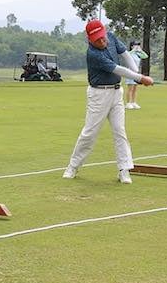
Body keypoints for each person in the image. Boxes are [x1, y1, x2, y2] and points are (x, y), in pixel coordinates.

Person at [62, 19, 153, 184]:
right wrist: (140, 78)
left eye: (103, 37)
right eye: (98, 40)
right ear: (90, 40)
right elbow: (117, 69)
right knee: (90, 133)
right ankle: (73, 166)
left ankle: (124, 170)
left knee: (120, 131)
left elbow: (125, 54)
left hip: (116, 92)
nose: (103, 41)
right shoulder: (93, 54)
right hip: (98, 95)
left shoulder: (111, 36)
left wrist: (137, 73)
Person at [124, 40, 147, 109]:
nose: (137, 46)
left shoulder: (137, 54)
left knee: (135, 88)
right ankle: (128, 103)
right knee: (130, 88)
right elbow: (127, 54)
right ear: (131, 46)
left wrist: (140, 51)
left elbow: (145, 56)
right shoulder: (130, 53)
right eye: (135, 45)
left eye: (138, 45)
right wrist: (133, 50)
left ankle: (134, 102)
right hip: (130, 72)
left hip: (136, 73)